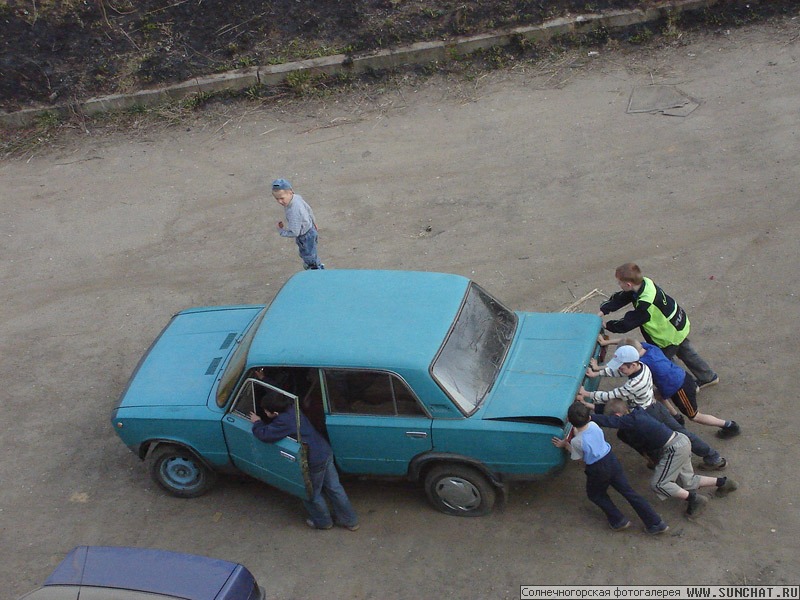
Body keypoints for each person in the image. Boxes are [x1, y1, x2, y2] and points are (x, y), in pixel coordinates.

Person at [577, 345, 728, 470]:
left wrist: (587, 393)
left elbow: (612, 394)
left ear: (633, 364)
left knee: (656, 438)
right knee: (679, 433)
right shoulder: (641, 366)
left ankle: (710, 457)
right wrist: (597, 372)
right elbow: (616, 371)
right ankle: (711, 457)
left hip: (648, 413)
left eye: (623, 367)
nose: (620, 370)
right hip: (654, 406)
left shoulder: (634, 384)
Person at [591, 399, 738, 518]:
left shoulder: (631, 421)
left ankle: (695, 500)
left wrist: (587, 417)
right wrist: (589, 406)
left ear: (617, 416)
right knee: (688, 481)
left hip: (674, 449)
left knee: (659, 484)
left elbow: (609, 421)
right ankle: (723, 483)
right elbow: (611, 417)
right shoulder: (636, 412)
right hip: (681, 441)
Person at [552, 402, 669, 535]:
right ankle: (655, 522)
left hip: (597, 468)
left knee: (595, 494)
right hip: (611, 459)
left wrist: (565, 445)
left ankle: (618, 520)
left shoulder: (576, 441)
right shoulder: (594, 426)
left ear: (569, 420)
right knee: (628, 492)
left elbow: (579, 458)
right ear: (589, 418)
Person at [598, 262, 719, 389]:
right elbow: (623, 297)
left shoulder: (645, 304)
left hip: (666, 336)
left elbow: (629, 322)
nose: (619, 285)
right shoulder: (645, 283)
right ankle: (708, 377)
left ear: (628, 284)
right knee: (686, 352)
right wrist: (604, 309)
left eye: (619, 283)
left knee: (664, 364)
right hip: (677, 325)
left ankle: (685, 386)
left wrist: (607, 325)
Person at [248, 394, 358, 531]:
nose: (264, 413)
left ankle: (323, 522)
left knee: (311, 494)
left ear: (275, 413)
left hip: (313, 460)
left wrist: (257, 422)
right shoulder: (292, 407)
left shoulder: (283, 422)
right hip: (324, 451)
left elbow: (264, 434)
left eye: (266, 411)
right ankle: (350, 520)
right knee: (335, 488)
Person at [599, 336, 740, 438]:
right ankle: (675, 416)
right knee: (656, 394)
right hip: (679, 377)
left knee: (695, 416)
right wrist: (607, 342)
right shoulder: (647, 347)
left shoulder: (643, 363)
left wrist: (599, 369)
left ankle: (729, 425)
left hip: (679, 388)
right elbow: (626, 341)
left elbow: (620, 368)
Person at [271, 178, 324, 270]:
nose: (280, 201)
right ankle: (317, 265)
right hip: (311, 229)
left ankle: (316, 271)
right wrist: (314, 222)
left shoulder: (293, 211)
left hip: (304, 236)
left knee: (308, 256)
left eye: (282, 198)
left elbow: (295, 232)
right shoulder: (297, 197)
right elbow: (308, 209)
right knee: (312, 252)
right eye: (277, 199)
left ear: (290, 192)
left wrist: (281, 231)